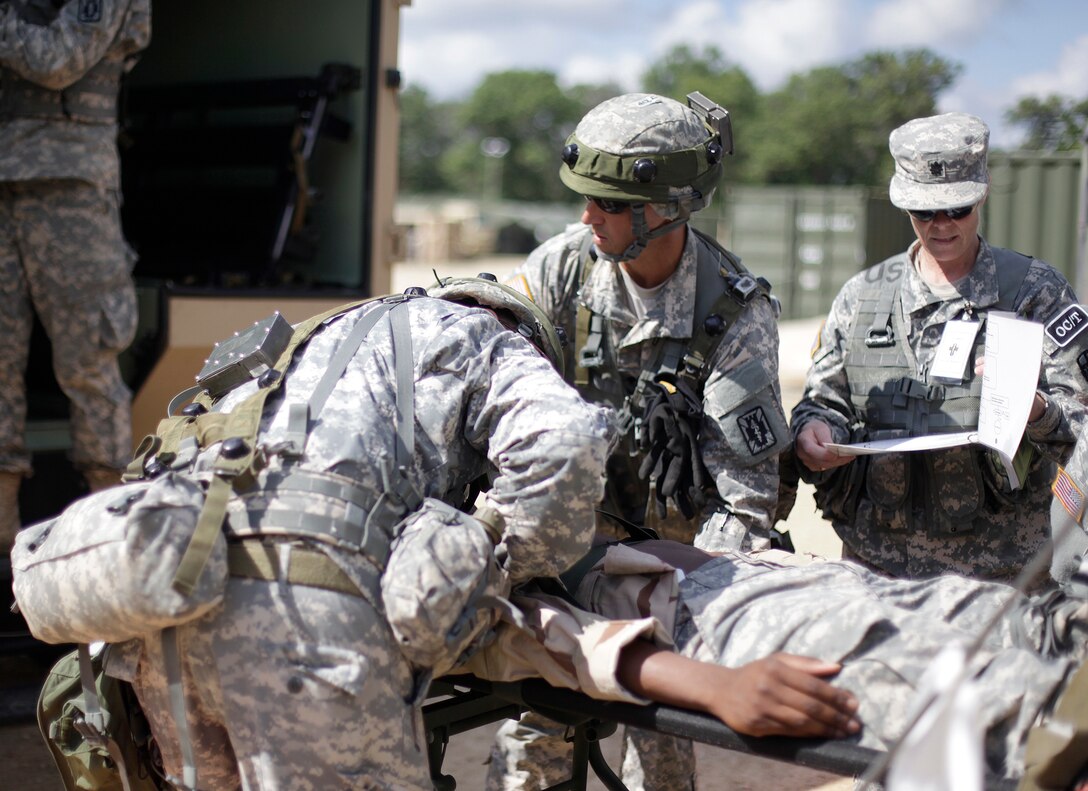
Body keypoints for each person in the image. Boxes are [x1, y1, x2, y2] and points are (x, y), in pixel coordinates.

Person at [101, 280, 613, 790]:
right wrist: (495, 563)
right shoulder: (482, 334)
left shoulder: (310, 340)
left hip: (166, 608)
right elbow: (567, 445)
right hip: (305, 617)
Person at [492, 90, 790, 791]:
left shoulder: (732, 312)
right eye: (587, 199)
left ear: (665, 209)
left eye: (608, 203)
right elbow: (496, 363)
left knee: (665, 749)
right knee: (535, 737)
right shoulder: (563, 269)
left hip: (669, 571)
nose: (587, 216)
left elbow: (744, 499)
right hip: (562, 551)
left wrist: (679, 600)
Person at [461, 527, 1088, 786]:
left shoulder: (529, 501)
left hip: (783, 578)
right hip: (724, 624)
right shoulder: (453, 556)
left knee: (1015, 617)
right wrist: (716, 688)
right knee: (981, 695)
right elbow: (550, 641)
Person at [791, 112, 1087, 583]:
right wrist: (815, 431)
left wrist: (1033, 410)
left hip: (999, 581)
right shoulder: (862, 295)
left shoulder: (1036, 292)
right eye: (924, 212)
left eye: (957, 209)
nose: (941, 225)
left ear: (982, 192)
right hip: (876, 573)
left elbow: (1082, 433)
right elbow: (823, 402)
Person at [0, 0, 151, 554]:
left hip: (70, 187)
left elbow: (60, 60)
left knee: (87, 361)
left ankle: (109, 538)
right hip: (6, 184)